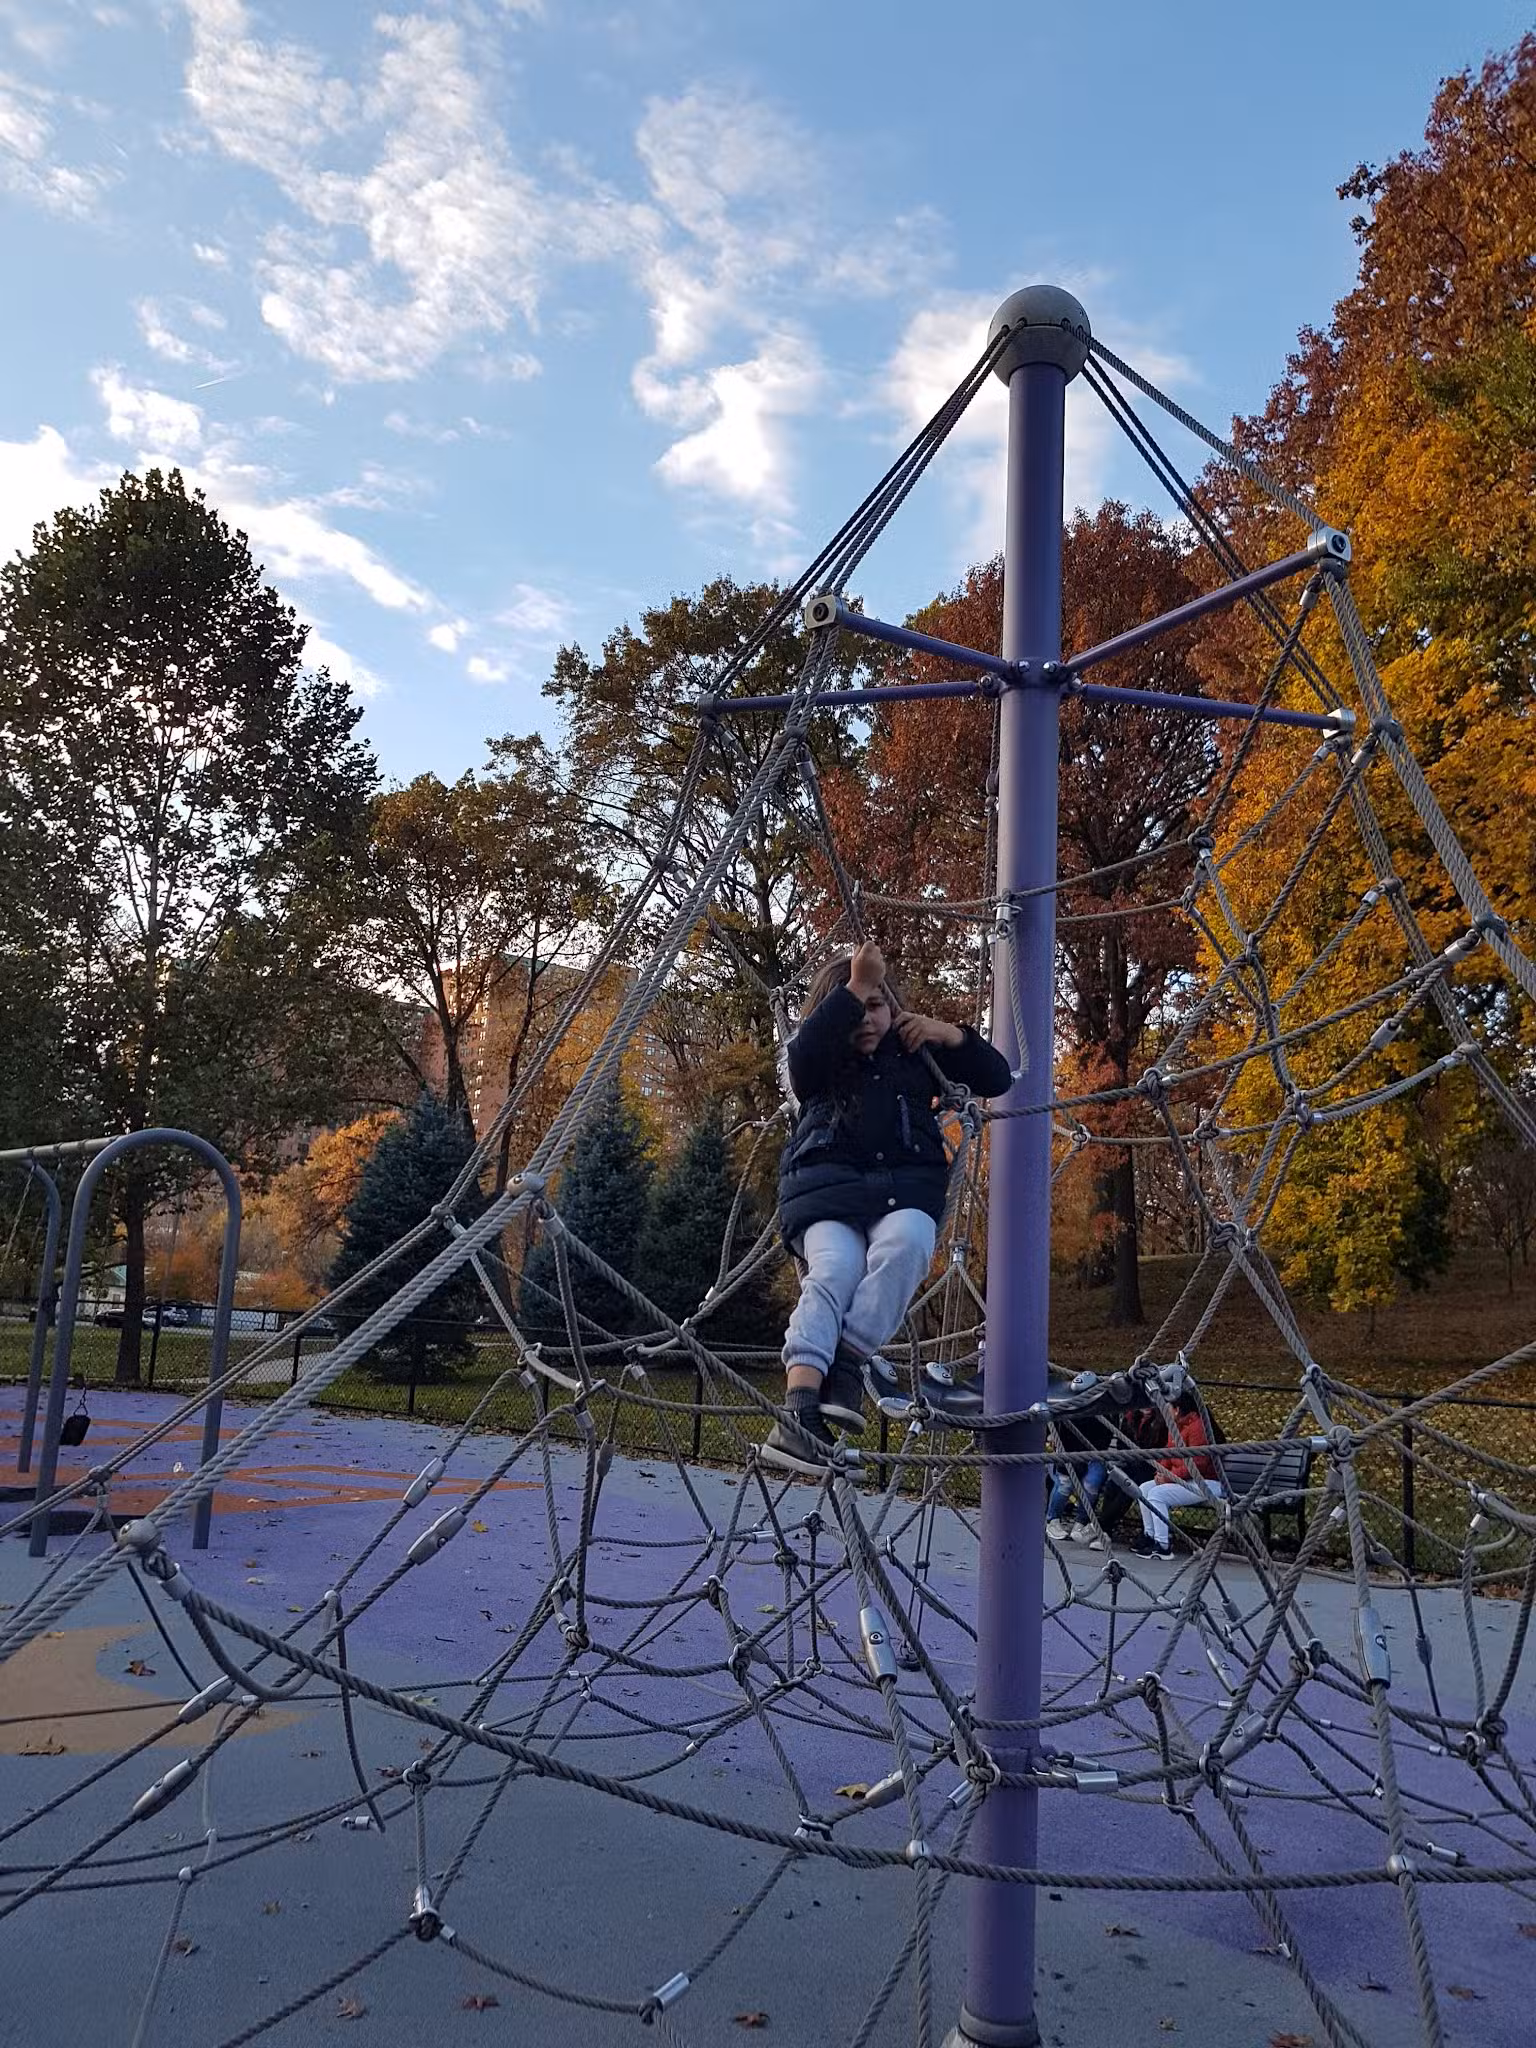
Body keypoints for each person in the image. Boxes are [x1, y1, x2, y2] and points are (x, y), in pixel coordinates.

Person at [762, 939, 1013, 1476]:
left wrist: (949, 1034)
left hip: (903, 1189)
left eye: (875, 1005)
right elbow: (802, 1065)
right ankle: (798, 1411)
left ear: (894, 1008)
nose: (865, 1020)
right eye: (853, 1008)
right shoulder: (820, 1059)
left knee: (909, 1244)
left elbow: (997, 1076)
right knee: (835, 1269)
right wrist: (856, 985)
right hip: (829, 1193)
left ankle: (847, 1364)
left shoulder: (914, 1052)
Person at [1132, 1388, 1224, 1557]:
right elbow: (1169, 1454)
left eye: (1168, 1406)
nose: (1164, 1410)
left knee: (1158, 1495)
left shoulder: (1198, 1428)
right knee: (1144, 1489)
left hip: (1205, 1482)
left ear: (1177, 1409)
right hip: (1180, 1478)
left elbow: (1197, 1465)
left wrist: (1168, 1478)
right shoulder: (1175, 1426)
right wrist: (1160, 1472)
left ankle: (1162, 1545)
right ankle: (1149, 1535)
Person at [1045, 1409, 1112, 1548]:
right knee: (1065, 1484)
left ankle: (1080, 1523)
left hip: (1097, 1450)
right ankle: (1053, 1521)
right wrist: (1053, 1436)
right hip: (1069, 1448)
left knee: (1091, 1484)